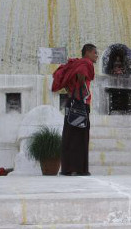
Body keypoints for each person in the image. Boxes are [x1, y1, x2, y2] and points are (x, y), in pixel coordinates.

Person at [52, 44, 98, 176]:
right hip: (80, 103)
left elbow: (67, 78)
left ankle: (67, 169)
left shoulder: (75, 63)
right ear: (88, 52)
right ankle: (80, 169)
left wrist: (72, 91)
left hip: (70, 102)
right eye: (95, 53)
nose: (96, 56)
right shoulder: (85, 63)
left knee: (69, 135)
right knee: (81, 136)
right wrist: (84, 90)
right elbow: (81, 74)